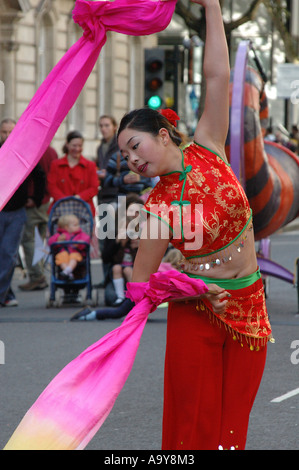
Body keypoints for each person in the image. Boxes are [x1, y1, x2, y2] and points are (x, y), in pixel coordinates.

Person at [116, 0, 273, 451]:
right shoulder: (158, 207)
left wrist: (211, 6)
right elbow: (140, 286)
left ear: (162, 134)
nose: (132, 159)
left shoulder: (208, 143)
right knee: (194, 427)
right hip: (199, 314)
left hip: (251, 305)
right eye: (126, 157)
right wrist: (193, 288)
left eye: (134, 145)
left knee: (233, 424)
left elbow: (218, 77)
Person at [0, 119, 46, 307]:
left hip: (17, 211)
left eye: (11, 131)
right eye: (4, 132)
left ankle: (2, 293)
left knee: (8, 254)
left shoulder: (23, 152)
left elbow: (39, 175)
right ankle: (6, 292)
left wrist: (35, 198)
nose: (8, 135)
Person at [19, 146, 58, 291]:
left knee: (29, 239)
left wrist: (33, 197)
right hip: (46, 200)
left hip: (35, 201)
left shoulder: (33, 150)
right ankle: (39, 274)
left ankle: (37, 276)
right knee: (39, 240)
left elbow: (35, 176)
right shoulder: (51, 151)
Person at [47, 131, 99, 217]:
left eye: (80, 146)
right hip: (61, 210)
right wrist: (66, 201)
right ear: (67, 144)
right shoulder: (56, 165)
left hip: (83, 211)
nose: (77, 149)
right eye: (74, 145)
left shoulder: (90, 165)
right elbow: (52, 186)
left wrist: (78, 198)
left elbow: (94, 188)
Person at [48, 214, 90, 281]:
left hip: (76, 253)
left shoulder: (80, 235)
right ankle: (68, 273)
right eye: (75, 225)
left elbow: (86, 240)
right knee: (61, 256)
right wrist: (58, 240)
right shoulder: (59, 235)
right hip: (63, 253)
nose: (79, 227)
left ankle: (67, 271)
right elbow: (50, 242)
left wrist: (80, 243)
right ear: (66, 227)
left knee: (74, 256)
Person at [96, 115, 120, 204]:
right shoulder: (100, 147)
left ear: (114, 127)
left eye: (106, 125)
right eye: (101, 126)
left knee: (119, 217)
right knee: (105, 217)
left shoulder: (120, 145)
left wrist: (108, 173)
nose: (103, 129)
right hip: (104, 191)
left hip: (118, 192)